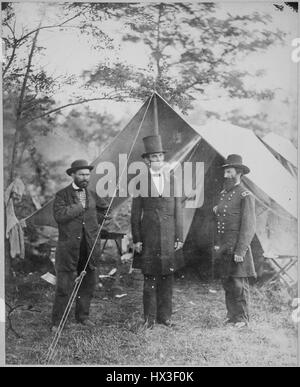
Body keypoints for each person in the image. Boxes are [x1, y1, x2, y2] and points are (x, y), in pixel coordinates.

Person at [131, 135, 184, 329]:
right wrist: (137, 239)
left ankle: (165, 317)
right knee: (150, 278)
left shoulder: (172, 180)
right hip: (149, 237)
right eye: (154, 157)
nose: (158, 161)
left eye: (161, 157)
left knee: (167, 278)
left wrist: (179, 236)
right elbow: (135, 213)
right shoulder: (140, 182)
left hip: (169, 237)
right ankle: (149, 319)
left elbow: (179, 209)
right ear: (147, 160)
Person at [51, 159, 108, 332]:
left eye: (87, 174)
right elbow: (59, 216)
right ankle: (58, 322)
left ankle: (82, 316)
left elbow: (99, 211)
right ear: (73, 175)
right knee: (65, 284)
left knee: (88, 282)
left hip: (89, 246)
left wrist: (102, 217)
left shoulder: (91, 193)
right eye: (82, 174)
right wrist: (79, 206)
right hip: (69, 248)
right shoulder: (62, 195)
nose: (85, 177)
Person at [213, 154, 256, 328]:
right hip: (224, 246)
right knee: (227, 282)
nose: (225, 175)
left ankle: (242, 319)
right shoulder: (224, 194)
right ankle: (232, 316)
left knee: (239, 284)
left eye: (229, 172)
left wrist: (241, 251)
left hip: (237, 247)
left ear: (238, 172)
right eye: (225, 172)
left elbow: (248, 226)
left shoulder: (245, 195)